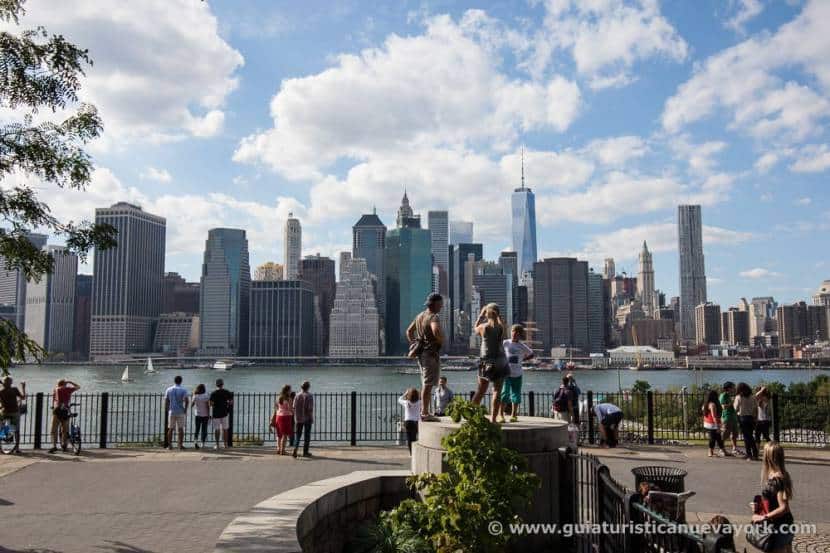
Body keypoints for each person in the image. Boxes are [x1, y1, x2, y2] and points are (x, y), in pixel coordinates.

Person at [406, 293, 444, 422]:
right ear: (435, 304)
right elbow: (436, 331)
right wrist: (441, 340)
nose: (442, 306)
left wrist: (414, 344)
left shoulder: (420, 316)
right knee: (428, 385)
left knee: (425, 383)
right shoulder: (433, 317)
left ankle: (424, 411)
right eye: (441, 304)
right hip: (431, 354)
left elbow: (409, 331)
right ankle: (425, 413)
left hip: (421, 354)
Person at [750, 442, 795, 553]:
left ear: (768, 457)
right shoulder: (782, 474)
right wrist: (759, 506)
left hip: (778, 526)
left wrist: (763, 517)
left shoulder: (777, 480)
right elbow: (774, 502)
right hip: (785, 522)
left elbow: (783, 507)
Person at [471, 303, 509, 423]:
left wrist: (480, 316)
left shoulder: (484, 327)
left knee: (481, 390)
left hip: (486, 362)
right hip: (501, 361)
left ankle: (472, 415)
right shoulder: (502, 327)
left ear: (487, 313)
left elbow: (474, 328)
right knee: (497, 391)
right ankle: (493, 419)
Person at [500, 324, 534, 423]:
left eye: (516, 333)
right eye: (512, 332)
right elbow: (499, 351)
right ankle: (501, 414)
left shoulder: (522, 346)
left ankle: (514, 415)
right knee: (504, 394)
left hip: (517, 374)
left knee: (516, 394)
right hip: (506, 373)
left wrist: (523, 359)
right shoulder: (505, 343)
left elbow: (532, 354)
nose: (514, 334)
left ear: (519, 335)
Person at [50, 379, 80, 453]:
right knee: (65, 430)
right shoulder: (68, 389)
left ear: (58, 384)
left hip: (57, 410)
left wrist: (52, 406)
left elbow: (54, 399)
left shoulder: (56, 389)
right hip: (65, 410)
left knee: (54, 429)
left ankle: (54, 446)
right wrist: (70, 382)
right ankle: (64, 446)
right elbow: (78, 387)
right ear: (65, 384)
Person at [0, 377, 26, 454]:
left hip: (5, 412)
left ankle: (1, 448)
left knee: (3, 429)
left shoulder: (1, 391)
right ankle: (17, 448)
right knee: (16, 430)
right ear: (11, 383)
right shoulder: (14, 389)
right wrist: (23, 387)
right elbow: (23, 397)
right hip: (14, 412)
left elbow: (2, 403)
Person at [702, 389, 730, 457]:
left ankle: (723, 451)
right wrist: (718, 426)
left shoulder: (705, 404)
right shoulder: (713, 405)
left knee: (718, 438)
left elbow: (704, 412)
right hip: (713, 424)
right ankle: (710, 451)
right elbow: (714, 416)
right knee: (713, 438)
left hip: (708, 423)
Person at [735, 382, 759, 460]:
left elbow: (735, 408)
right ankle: (749, 453)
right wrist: (756, 418)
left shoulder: (739, 397)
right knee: (749, 436)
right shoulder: (753, 397)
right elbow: (756, 408)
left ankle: (753, 454)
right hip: (751, 418)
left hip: (742, 418)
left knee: (748, 437)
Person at [165, 375, 189, 450]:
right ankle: (180, 445)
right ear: (181, 381)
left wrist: (167, 409)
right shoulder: (183, 390)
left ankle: (169, 445)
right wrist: (185, 409)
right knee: (181, 429)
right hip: (180, 411)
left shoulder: (168, 389)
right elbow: (187, 400)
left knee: (170, 429)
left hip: (171, 411)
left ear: (174, 381)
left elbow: (166, 401)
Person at [209, 378, 233, 449]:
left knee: (217, 429)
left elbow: (211, 404)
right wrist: (227, 403)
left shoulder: (213, 393)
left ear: (216, 384)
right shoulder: (226, 392)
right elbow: (231, 402)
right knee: (225, 429)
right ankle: (225, 444)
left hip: (216, 413)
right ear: (222, 384)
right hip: (224, 413)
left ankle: (217, 444)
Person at [293, 380, 314, 458]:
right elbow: (310, 409)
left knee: (298, 435)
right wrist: (311, 417)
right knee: (307, 435)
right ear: (308, 387)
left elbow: (293, 406)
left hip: (298, 418)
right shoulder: (310, 396)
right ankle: (305, 452)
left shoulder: (297, 395)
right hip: (307, 418)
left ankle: (295, 449)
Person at [398, 388, 421, 453]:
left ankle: (411, 452)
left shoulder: (406, 402)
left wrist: (405, 394)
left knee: (409, 438)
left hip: (408, 421)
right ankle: (415, 452)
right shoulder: (419, 402)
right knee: (414, 437)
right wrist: (419, 394)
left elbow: (399, 399)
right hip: (416, 421)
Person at [720, 381, 740, 455]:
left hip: (733, 417)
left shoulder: (730, 395)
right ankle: (721, 448)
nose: (734, 388)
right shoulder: (723, 395)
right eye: (733, 387)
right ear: (729, 388)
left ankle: (734, 448)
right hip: (727, 417)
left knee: (735, 433)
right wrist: (731, 403)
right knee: (725, 434)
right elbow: (723, 407)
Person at [275, 385, 294, 455]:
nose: (291, 391)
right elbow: (290, 409)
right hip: (286, 417)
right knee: (285, 435)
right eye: (290, 390)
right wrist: (294, 411)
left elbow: (276, 407)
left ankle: (278, 449)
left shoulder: (278, 397)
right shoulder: (288, 399)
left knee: (279, 434)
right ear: (287, 391)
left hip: (278, 416)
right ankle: (283, 450)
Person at [192, 383, 210, 449]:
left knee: (197, 429)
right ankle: (203, 443)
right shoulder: (206, 396)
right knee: (204, 429)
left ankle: (195, 442)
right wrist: (209, 414)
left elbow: (192, 404)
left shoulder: (195, 396)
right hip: (205, 414)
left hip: (198, 414)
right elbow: (208, 406)